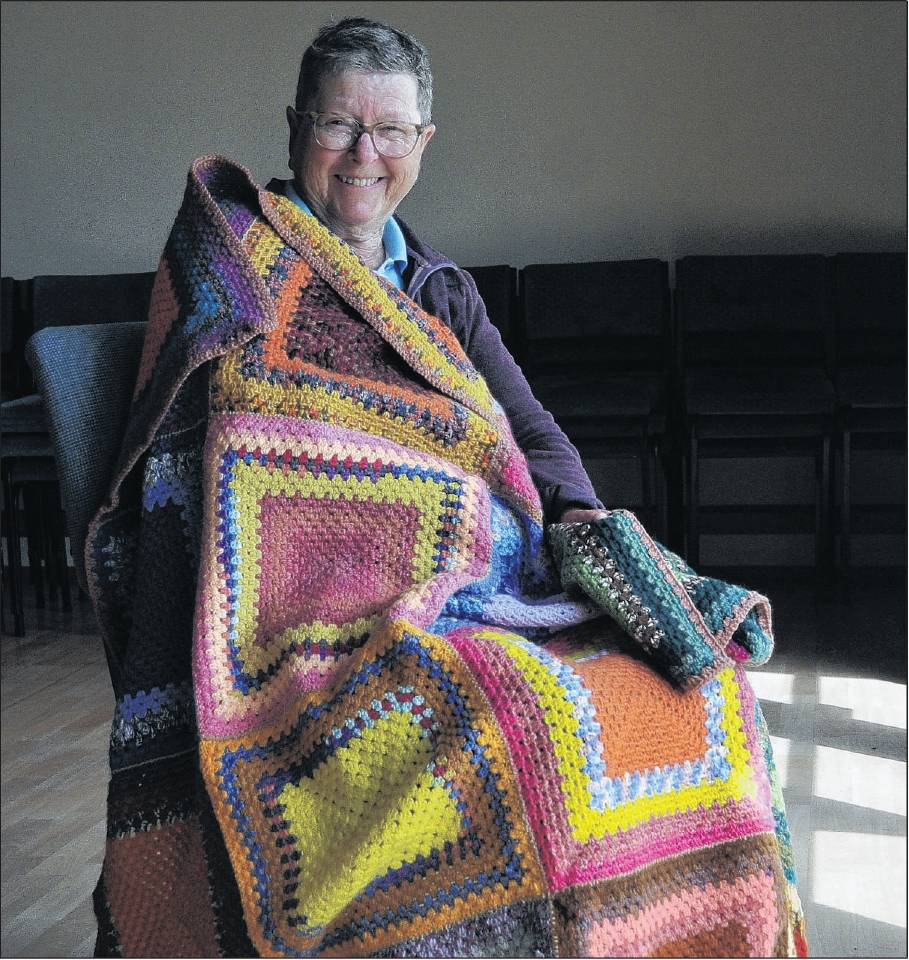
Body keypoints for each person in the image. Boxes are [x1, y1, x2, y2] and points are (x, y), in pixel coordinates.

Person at [87, 17, 806, 958]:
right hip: (305, 627)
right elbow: (219, 451)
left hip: (479, 584)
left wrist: (586, 524)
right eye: (338, 125)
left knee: (704, 690)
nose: (362, 154)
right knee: (522, 723)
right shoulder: (232, 268)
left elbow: (528, 429)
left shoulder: (438, 289)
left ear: (422, 143)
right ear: (295, 125)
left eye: (390, 131)